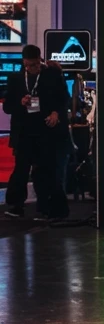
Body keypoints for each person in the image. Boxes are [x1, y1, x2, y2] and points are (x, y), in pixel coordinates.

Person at [2, 45, 71, 220]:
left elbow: (64, 100)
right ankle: (16, 205)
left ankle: (44, 207)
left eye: (34, 65)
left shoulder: (52, 76)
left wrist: (56, 113)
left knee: (44, 170)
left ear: (40, 60)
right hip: (24, 132)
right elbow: (8, 107)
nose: (32, 68)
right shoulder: (16, 79)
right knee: (21, 170)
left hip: (45, 131)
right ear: (23, 63)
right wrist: (20, 102)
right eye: (28, 65)